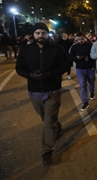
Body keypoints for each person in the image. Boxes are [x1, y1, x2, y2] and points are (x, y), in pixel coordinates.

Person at [15, 22, 69, 166]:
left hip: (53, 90)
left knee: (48, 122)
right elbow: (19, 68)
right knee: (45, 118)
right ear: (33, 35)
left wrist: (51, 74)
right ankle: (57, 126)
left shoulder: (57, 49)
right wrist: (31, 75)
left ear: (47, 34)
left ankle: (46, 151)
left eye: (43, 33)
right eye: (37, 33)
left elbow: (65, 65)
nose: (40, 36)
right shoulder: (26, 50)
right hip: (34, 92)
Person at [69, 31, 96, 111]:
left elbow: (94, 56)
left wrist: (94, 66)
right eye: (78, 39)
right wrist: (76, 58)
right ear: (76, 39)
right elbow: (70, 57)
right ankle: (85, 102)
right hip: (80, 68)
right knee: (82, 85)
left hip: (90, 67)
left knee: (91, 82)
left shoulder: (90, 45)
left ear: (85, 38)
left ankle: (92, 92)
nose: (80, 41)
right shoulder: (74, 47)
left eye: (82, 39)